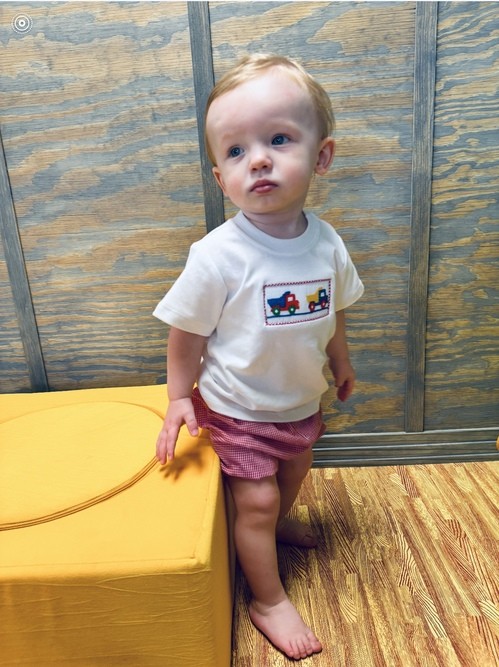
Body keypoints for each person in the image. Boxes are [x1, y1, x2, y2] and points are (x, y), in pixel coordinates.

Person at [153, 54, 364, 660]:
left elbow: (332, 311)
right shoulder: (218, 255)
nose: (259, 160)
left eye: (278, 139)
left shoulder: (326, 242)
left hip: (299, 402)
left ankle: (270, 529)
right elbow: (186, 333)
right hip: (237, 407)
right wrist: (177, 397)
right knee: (259, 496)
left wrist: (341, 361)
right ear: (221, 178)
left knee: (294, 474)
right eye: (236, 150)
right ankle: (268, 599)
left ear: (321, 156)